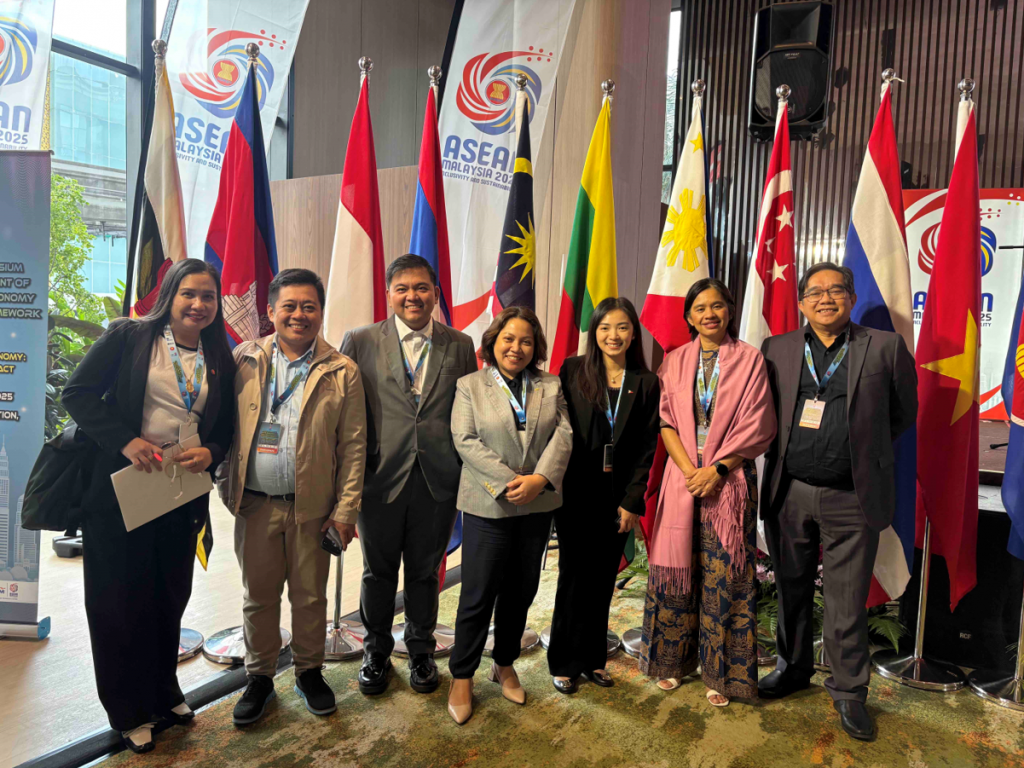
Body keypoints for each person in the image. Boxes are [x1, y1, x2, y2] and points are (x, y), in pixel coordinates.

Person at [63, 259, 236, 754]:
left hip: (180, 493)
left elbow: (225, 423)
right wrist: (125, 440)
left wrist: (213, 452)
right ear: (169, 295)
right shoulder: (130, 336)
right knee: (118, 601)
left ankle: (164, 692)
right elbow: (77, 394)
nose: (198, 304)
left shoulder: (219, 352)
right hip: (122, 491)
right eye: (189, 294)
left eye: (208, 296)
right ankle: (128, 710)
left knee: (169, 595)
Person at [759, 262, 916, 741]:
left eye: (835, 290)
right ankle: (792, 668)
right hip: (790, 492)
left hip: (852, 495)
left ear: (851, 297)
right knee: (791, 589)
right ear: (801, 302)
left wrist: (859, 454)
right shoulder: (777, 348)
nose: (825, 298)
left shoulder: (884, 347)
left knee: (846, 601)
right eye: (815, 292)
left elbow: (902, 413)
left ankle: (848, 691)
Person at [219, 268, 367, 726]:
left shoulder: (342, 370)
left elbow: (354, 446)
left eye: (309, 306)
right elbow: (221, 426)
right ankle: (259, 677)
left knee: (309, 598)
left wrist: (345, 511)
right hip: (256, 504)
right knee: (258, 597)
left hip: (313, 511)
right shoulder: (244, 359)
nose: (299, 314)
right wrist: (226, 483)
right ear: (270, 310)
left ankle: (309, 672)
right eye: (289, 305)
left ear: (320, 312)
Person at [340, 254, 478, 696]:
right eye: (402, 288)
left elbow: (470, 410)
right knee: (377, 573)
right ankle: (376, 651)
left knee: (424, 572)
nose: (412, 296)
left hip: (437, 478)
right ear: (389, 294)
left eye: (421, 288)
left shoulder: (460, 345)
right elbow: (343, 411)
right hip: (378, 477)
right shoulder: (360, 340)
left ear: (435, 293)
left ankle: (421, 651)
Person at [639, 278, 776, 707]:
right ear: (689, 316)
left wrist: (716, 469)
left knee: (725, 578)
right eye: (700, 308)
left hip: (729, 481)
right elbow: (665, 421)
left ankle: (722, 674)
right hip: (683, 478)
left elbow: (759, 423)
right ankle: (671, 662)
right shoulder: (675, 361)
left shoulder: (751, 359)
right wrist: (689, 471)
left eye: (717, 305)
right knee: (675, 570)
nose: (709, 314)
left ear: (730, 311)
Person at [446, 306, 573, 724]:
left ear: (535, 347)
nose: (516, 348)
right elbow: (464, 439)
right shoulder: (470, 385)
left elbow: (564, 434)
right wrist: (509, 481)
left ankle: (504, 663)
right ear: (493, 342)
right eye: (508, 339)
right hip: (489, 503)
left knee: (521, 590)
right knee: (477, 593)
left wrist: (539, 479)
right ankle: (462, 675)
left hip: (536, 504)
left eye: (526, 341)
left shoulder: (550, 385)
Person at [547, 297, 660, 693]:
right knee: (574, 577)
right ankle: (564, 661)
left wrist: (633, 500)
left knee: (601, 580)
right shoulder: (573, 370)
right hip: (575, 493)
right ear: (594, 332)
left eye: (622, 327)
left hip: (618, 497)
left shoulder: (646, 381)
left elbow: (647, 446)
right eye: (605, 327)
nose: (614, 335)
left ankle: (593, 658)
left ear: (634, 334)